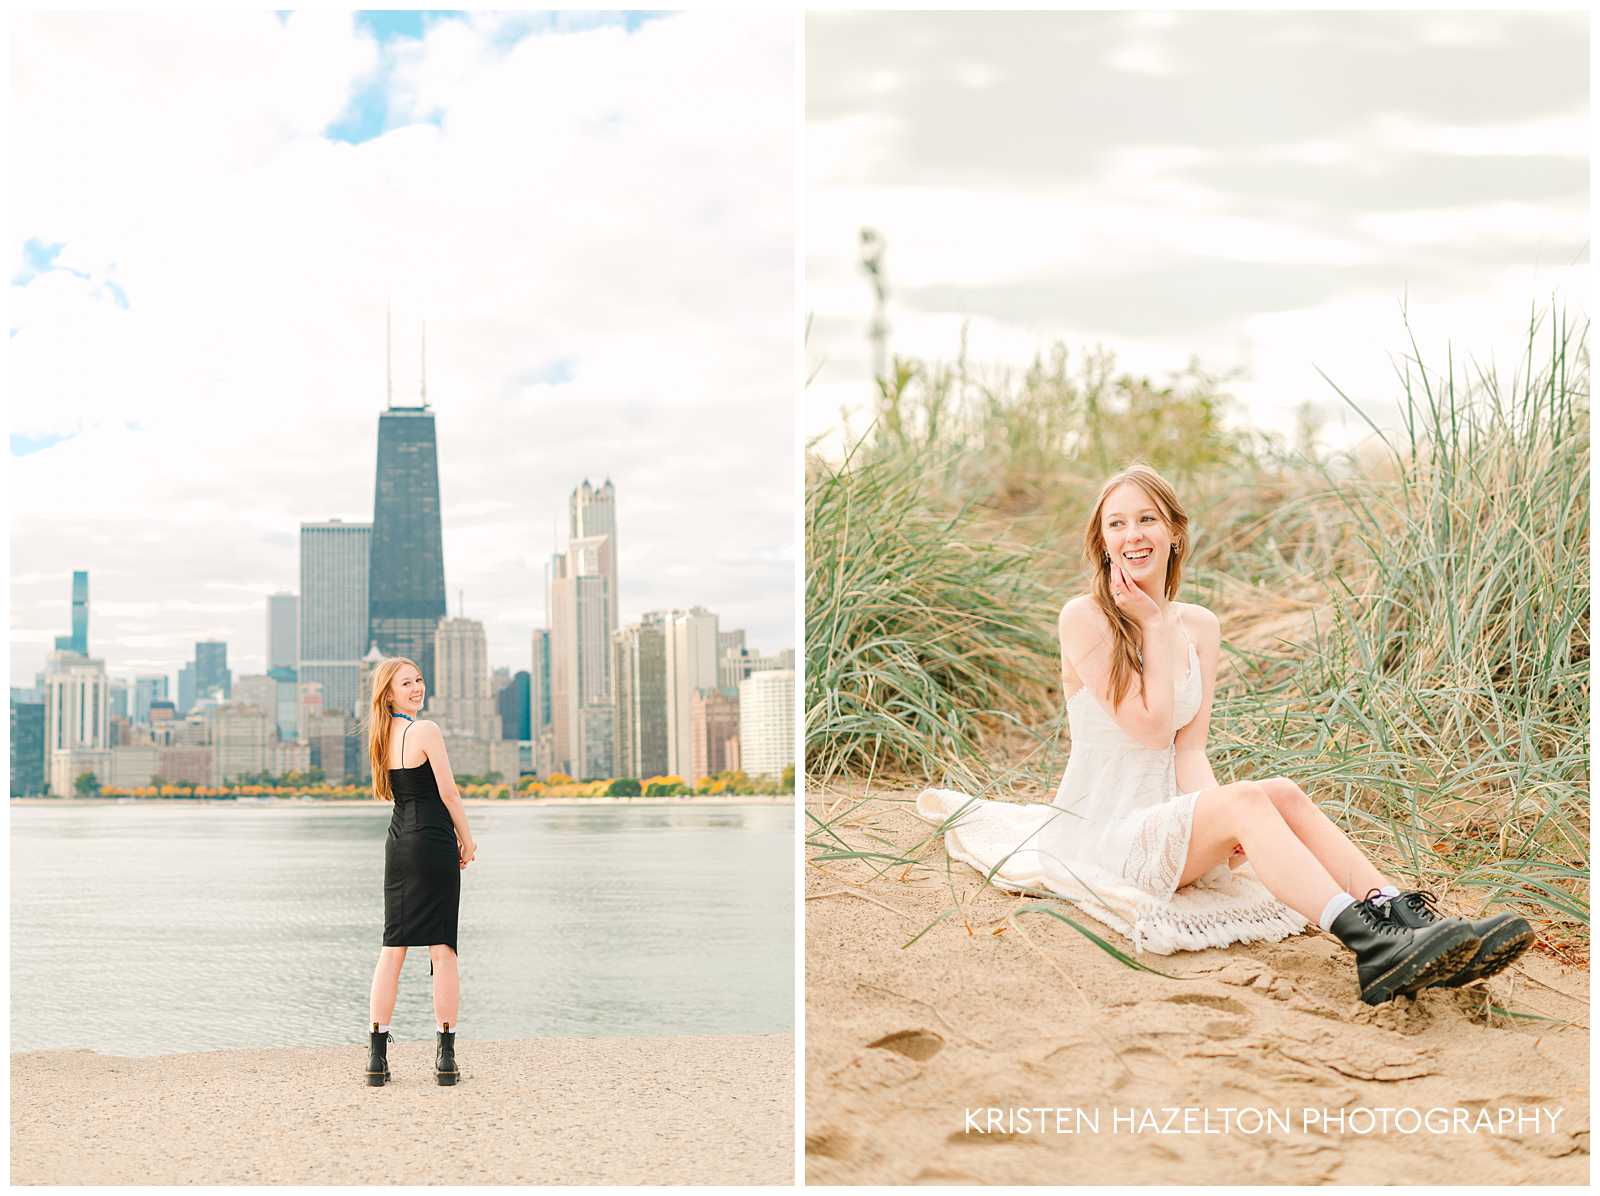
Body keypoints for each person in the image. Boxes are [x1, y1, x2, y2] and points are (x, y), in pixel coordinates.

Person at [916, 463, 1533, 1005]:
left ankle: (1405, 919)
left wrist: (1216, 821)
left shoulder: (1200, 626)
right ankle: (1369, 945)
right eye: (1117, 525)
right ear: (1101, 543)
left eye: (1147, 519)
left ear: (1174, 532)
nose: (1133, 535)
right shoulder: (1084, 619)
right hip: (1103, 831)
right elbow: (1153, 728)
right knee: (1246, 802)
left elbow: (1190, 747)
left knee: (1281, 793)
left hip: (1166, 821)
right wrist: (1154, 628)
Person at [362, 657, 478, 1085]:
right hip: (432, 843)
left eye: (419, 680)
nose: (416, 688)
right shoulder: (424, 730)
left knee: (392, 949)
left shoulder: (381, 737)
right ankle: (445, 1057)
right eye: (405, 684)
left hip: (398, 845)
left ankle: (377, 1058)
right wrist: (467, 837)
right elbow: (447, 791)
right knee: (441, 949)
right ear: (388, 693)